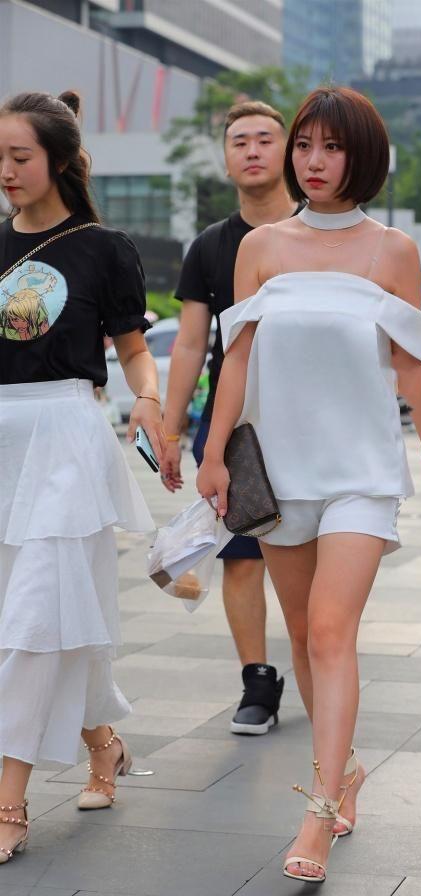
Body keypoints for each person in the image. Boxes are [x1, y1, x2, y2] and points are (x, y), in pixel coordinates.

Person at [196, 86, 421, 884]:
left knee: (329, 631)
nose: (313, 161)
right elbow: (236, 360)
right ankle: (343, 770)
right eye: (304, 145)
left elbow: (412, 364)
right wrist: (214, 455)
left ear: (362, 156)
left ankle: (318, 810)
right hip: (280, 472)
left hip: (360, 473)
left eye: (332, 147)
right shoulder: (261, 247)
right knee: (306, 633)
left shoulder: (393, 251)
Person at [0, 90, 163, 863]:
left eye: (19, 156)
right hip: (3, 440)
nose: (5, 171)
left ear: (60, 159)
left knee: (37, 619)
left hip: (66, 434)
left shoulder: (104, 248)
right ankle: (104, 742)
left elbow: (132, 348)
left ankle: (9, 802)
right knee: (40, 618)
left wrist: (150, 400)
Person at [160, 101, 301, 735]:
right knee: (242, 558)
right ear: (225, 159)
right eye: (239, 141)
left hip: (310, 423)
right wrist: (171, 429)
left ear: (288, 151)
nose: (252, 150)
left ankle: (318, 660)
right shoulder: (210, 246)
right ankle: (258, 681)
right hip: (235, 428)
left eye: (265, 139)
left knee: (309, 557)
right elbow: (192, 343)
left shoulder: (322, 230)